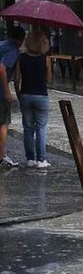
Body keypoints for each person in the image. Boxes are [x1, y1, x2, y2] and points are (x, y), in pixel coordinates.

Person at [13, 28, 53, 168]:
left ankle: (30, 159)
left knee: (28, 128)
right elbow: (48, 79)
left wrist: (19, 93)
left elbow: (16, 79)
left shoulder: (21, 57)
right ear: (43, 43)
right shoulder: (45, 59)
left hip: (25, 95)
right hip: (41, 96)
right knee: (41, 128)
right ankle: (41, 160)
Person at [0, 24, 26, 168]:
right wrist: (7, 92)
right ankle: (1, 155)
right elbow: (2, 69)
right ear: (20, 39)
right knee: (3, 123)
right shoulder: (13, 50)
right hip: (0, 94)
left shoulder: (1, 45)